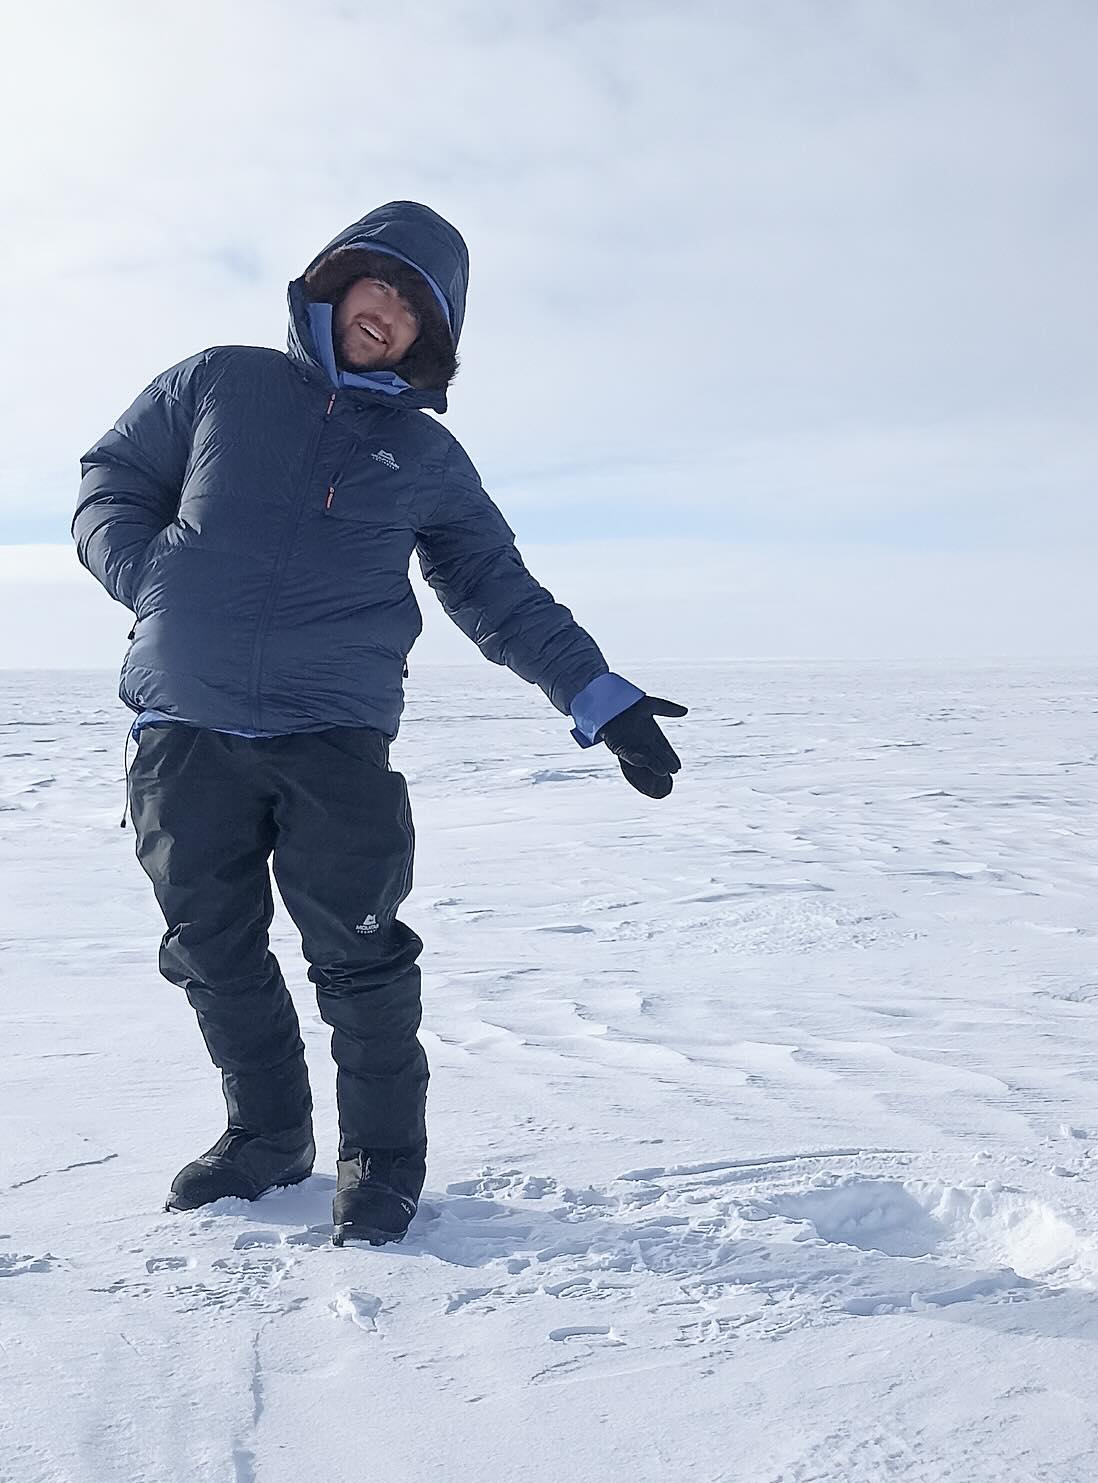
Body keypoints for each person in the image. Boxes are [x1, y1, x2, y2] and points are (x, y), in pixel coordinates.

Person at [72, 200, 686, 1247]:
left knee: (359, 956)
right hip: (184, 730)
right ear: (334, 283)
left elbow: (497, 590)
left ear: (430, 338)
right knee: (212, 948)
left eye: (415, 304)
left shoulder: (426, 458)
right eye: (378, 282)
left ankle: (382, 1159)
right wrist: (153, 577)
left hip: (335, 741)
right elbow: (110, 482)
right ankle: (265, 1137)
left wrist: (599, 696)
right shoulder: (222, 380)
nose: (388, 309)